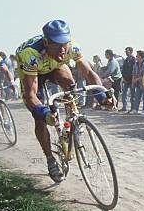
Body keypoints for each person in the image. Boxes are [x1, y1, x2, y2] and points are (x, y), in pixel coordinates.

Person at [16, 19, 111, 183]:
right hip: (34, 71)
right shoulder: (30, 54)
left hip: (54, 67)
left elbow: (89, 72)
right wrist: (45, 114)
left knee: (70, 82)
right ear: (46, 42)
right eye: (57, 45)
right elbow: (30, 96)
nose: (62, 49)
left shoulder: (71, 46)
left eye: (64, 44)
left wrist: (102, 96)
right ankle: (50, 159)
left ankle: (71, 118)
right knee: (39, 117)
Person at [120, 47, 135, 112]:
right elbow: (123, 70)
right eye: (125, 51)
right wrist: (124, 78)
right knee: (124, 94)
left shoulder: (134, 60)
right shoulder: (126, 60)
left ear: (131, 51)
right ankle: (124, 107)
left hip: (132, 80)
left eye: (127, 51)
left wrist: (132, 79)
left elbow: (134, 70)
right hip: (126, 80)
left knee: (132, 95)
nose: (126, 52)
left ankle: (132, 108)